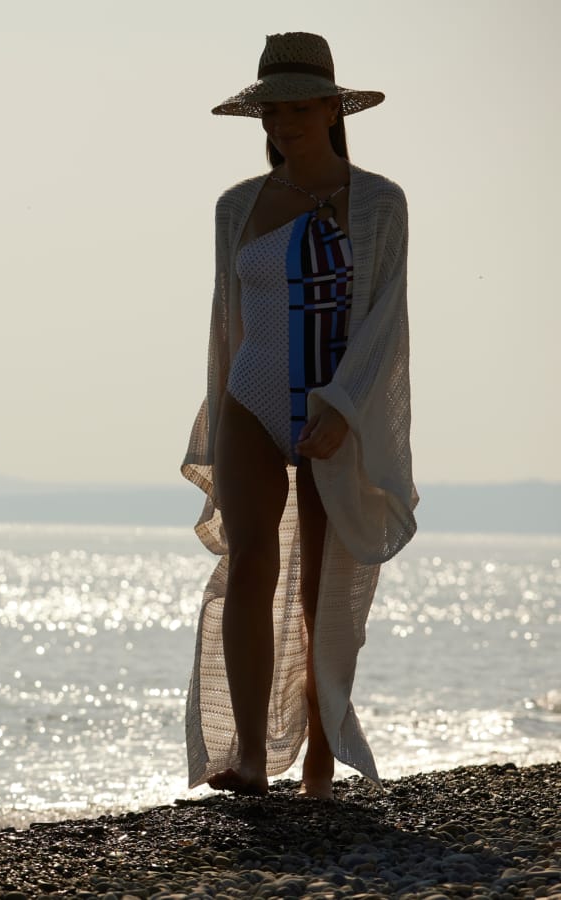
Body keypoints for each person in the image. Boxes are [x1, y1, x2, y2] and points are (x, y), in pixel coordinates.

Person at [181, 32, 417, 799]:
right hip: (251, 395)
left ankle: (320, 749)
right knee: (251, 562)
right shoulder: (235, 207)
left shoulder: (379, 202)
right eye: (271, 112)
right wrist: (217, 420)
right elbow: (227, 322)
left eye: (297, 109)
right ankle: (250, 754)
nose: (283, 125)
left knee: (321, 583)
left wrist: (345, 409)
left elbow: (383, 319)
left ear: (329, 108)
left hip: (331, 403)